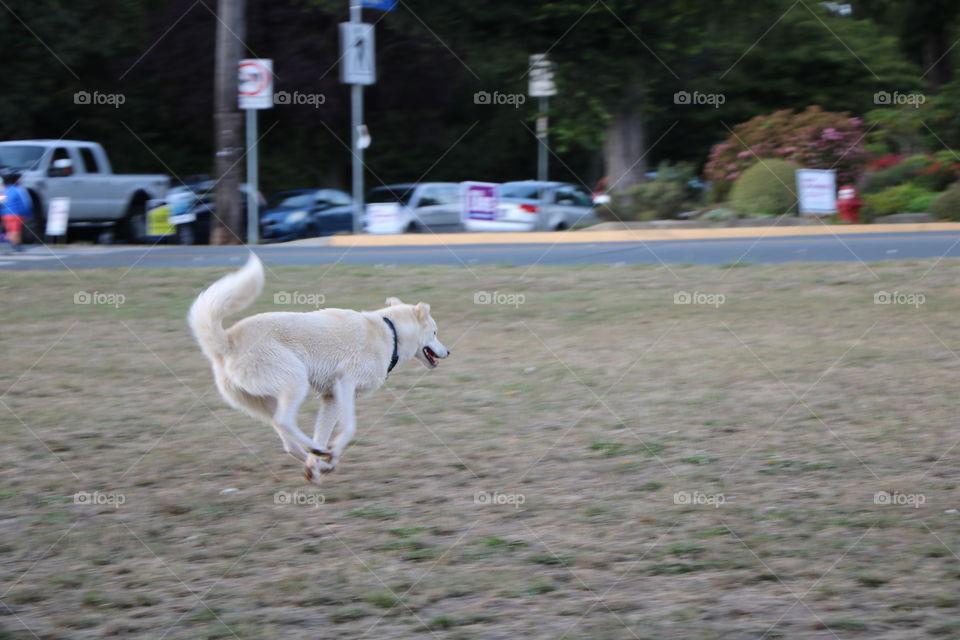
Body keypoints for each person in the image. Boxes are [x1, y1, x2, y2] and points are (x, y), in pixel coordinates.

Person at [2, 171, 33, 252]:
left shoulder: (3, 190)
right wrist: (28, 213)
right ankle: (17, 245)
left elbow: (2, 202)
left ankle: (12, 243)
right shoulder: (19, 189)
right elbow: (26, 202)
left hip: (4, 214)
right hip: (16, 213)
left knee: (10, 229)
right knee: (16, 230)